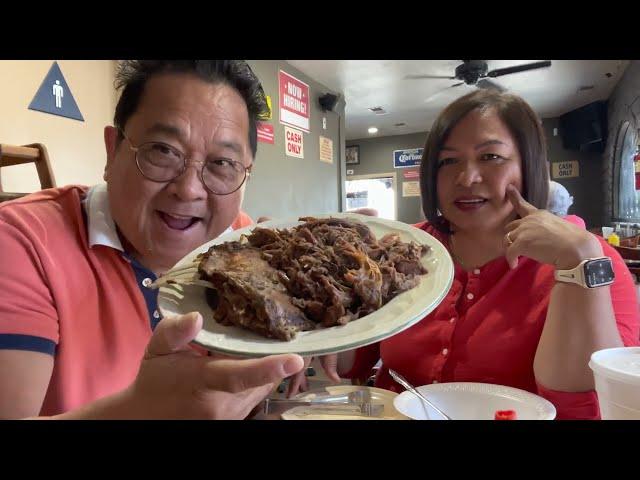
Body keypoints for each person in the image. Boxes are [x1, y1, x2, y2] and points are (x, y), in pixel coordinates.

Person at [294, 89, 640, 419]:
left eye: (491, 156)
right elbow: (350, 363)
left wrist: (577, 264)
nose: (467, 177)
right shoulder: (407, 252)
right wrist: (318, 305)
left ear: (528, 164)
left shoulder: (586, 260)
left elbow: (586, 408)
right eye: (448, 161)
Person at [0, 60, 304, 419]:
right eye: (163, 150)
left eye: (222, 163)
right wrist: (139, 410)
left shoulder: (241, 244)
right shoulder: (23, 242)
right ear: (112, 151)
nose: (189, 189)